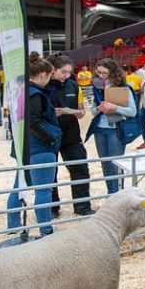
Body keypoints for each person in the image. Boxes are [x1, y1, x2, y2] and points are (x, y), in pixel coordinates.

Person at [6, 56, 62, 237]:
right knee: (44, 190)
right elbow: (33, 123)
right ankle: (46, 228)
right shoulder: (35, 94)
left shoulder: (19, 92)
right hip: (40, 148)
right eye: (49, 75)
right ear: (43, 74)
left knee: (20, 186)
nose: (50, 79)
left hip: (24, 147)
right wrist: (51, 138)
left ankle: (13, 225)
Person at [46, 54, 95, 218]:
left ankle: (82, 206)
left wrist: (69, 111)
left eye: (69, 72)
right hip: (48, 136)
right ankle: (53, 208)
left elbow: (81, 112)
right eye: (63, 72)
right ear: (53, 70)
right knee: (50, 173)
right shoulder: (44, 86)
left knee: (80, 169)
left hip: (72, 135)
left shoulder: (74, 86)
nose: (67, 75)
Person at [86, 59, 137, 195]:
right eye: (99, 72)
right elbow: (92, 111)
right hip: (99, 130)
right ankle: (111, 194)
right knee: (105, 165)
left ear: (112, 73)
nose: (101, 75)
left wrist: (114, 107)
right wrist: (99, 108)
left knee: (116, 165)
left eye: (104, 73)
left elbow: (132, 111)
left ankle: (118, 196)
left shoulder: (123, 88)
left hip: (115, 130)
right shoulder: (96, 88)